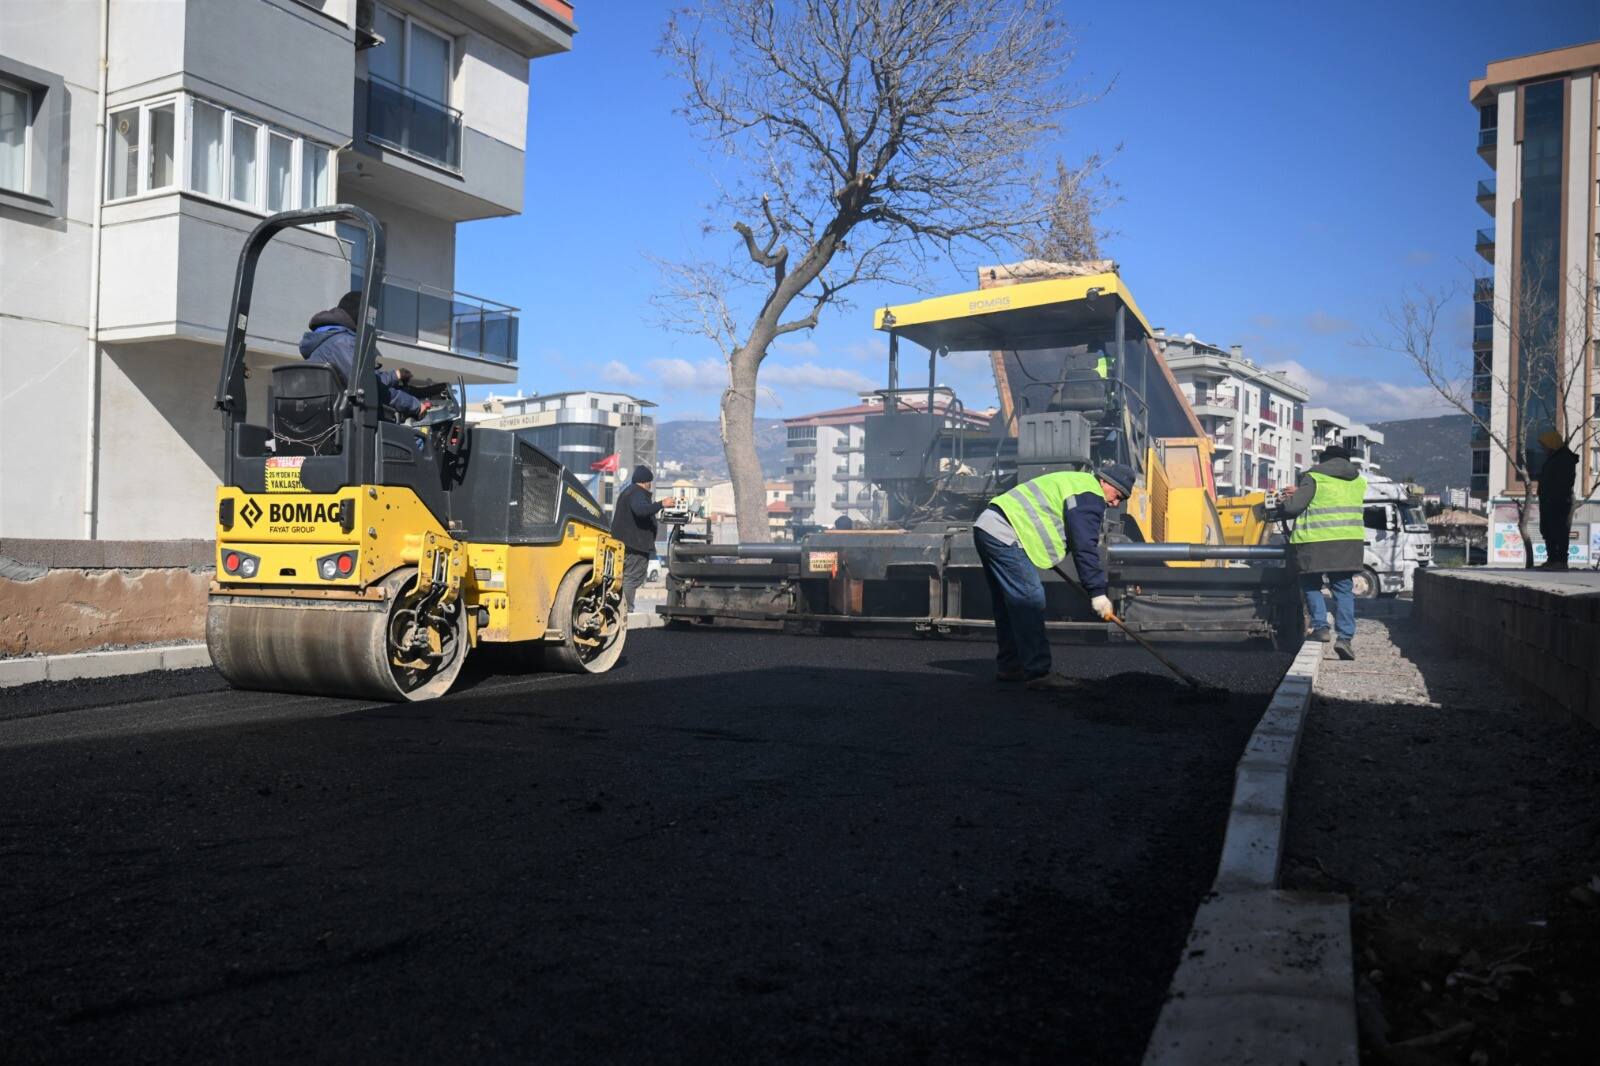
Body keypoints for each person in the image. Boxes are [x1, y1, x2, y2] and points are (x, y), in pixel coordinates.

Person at [972, 462, 1135, 691]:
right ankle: (1038, 673)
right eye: (1117, 495)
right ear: (1105, 482)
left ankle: (1010, 666)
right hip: (1005, 533)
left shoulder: (1076, 483)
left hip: (988, 527)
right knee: (1030, 599)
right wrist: (1098, 593)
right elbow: (1085, 547)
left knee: (1009, 604)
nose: (1115, 503)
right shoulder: (1090, 495)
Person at [1279, 445, 1367, 660]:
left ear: (1324, 459)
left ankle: (1321, 628)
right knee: (1343, 589)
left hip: (1315, 542)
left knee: (1310, 584)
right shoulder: (1359, 481)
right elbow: (1333, 500)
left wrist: (1289, 498)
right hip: (1348, 543)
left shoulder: (1314, 476)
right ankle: (1345, 638)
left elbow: (1293, 508)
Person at [299, 290, 428, 420]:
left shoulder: (326, 343)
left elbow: (365, 378)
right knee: (410, 437)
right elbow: (368, 387)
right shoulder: (343, 343)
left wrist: (395, 375)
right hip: (347, 427)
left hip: (325, 422)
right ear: (360, 317)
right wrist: (414, 405)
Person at [610, 465, 675, 613]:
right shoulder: (638, 493)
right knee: (631, 578)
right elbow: (641, 510)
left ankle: (617, 610)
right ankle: (625, 611)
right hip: (635, 547)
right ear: (647, 482)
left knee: (622, 579)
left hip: (622, 545)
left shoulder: (626, 492)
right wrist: (661, 504)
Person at [1536, 429, 1577, 571]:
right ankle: (1552, 559)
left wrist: (1554, 497)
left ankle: (1561, 561)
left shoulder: (1564, 458)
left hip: (1558, 501)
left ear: (1552, 444)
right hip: (1548, 500)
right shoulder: (1553, 458)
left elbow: (1563, 482)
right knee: (1547, 530)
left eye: (1545, 446)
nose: (1543, 449)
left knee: (1559, 531)